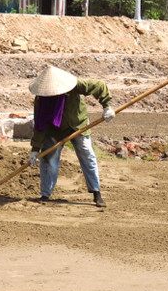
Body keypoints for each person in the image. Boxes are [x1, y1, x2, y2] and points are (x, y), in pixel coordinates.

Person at [28, 65, 115, 208]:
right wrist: (35, 149)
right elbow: (40, 123)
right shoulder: (41, 99)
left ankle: (96, 193)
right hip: (53, 129)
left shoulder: (74, 86)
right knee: (48, 159)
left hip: (77, 126)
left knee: (87, 155)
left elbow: (100, 86)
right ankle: (45, 195)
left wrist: (107, 106)